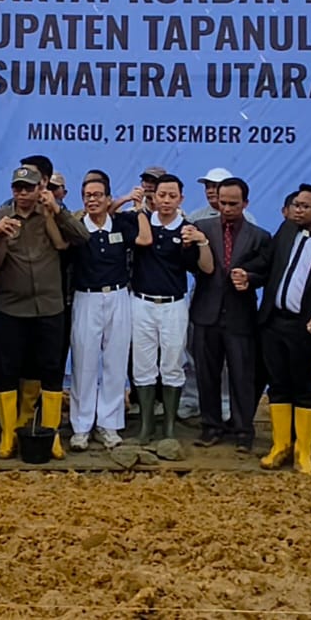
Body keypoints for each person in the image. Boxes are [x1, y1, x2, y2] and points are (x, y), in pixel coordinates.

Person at [231, 183, 311, 475]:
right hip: (273, 322)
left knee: (304, 388)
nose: (297, 210)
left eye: (305, 206)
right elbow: (267, 265)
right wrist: (249, 276)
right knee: (278, 385)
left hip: (305, 327)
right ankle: (280, 445)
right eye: (296, 205)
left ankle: (303, 450)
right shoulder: (285, 232)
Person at [0, 165, 85, 460]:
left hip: (49, 306)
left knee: (51, 370)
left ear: (40, 189)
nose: (23, 193)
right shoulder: (0, 216)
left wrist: (58, 211)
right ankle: (8, 434)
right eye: (18, 188)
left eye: (29, 188)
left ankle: (51, 434)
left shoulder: (51, 213)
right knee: (7, 371)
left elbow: (81, 238)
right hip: (11, 307)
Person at [190, 178, 271, 453]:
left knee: (242, 375)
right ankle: (211, 426)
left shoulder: (259, 236)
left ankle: (243, 429)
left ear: (245, 203)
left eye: (233, 204)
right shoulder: (202, 228)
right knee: (206, 374)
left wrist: (249, 278)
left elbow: (266, 272)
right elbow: (190, 264)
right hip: (206, 311)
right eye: (222, 202)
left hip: (240, 314)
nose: (226, 208)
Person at [130, 174, 212, 444]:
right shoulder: (142, 222)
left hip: (173, 305)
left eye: (172, 196)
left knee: (172, 363)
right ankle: (146, 427)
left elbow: (202, 268)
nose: (166, 200)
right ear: (153, 197)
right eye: (161, 195)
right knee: (143, 364)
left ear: (181, 199)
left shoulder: (188, 228)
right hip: (141, 302)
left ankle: (169, 426)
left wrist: (197, 243)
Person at [67, 173, 144, 451]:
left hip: (118, 296)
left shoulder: (122, 224)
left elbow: (144, 239)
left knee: (115, 361)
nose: (93, 200)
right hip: (86, 298)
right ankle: (81, 426)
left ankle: (109, 424)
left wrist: (134, 206)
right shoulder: (77, 229)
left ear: (108, 198)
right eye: (88, 195)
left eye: (98, 195)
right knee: (84, 363)